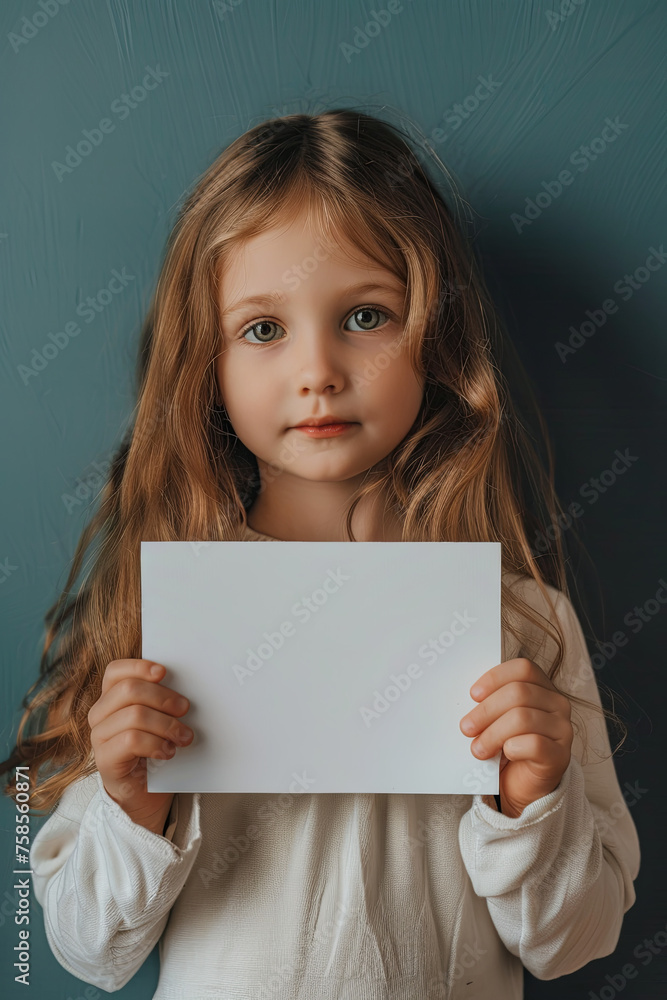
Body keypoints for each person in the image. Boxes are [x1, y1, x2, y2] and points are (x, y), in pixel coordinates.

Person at [1, 109, 640, 999]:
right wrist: (129, 802)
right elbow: (84, 950)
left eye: (366, 316)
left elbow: (574, 942)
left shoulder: (524, 625)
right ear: (208, 364)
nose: (318, 371)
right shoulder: (162, 620)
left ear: (434, 337)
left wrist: (530, 798)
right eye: (263, 329)